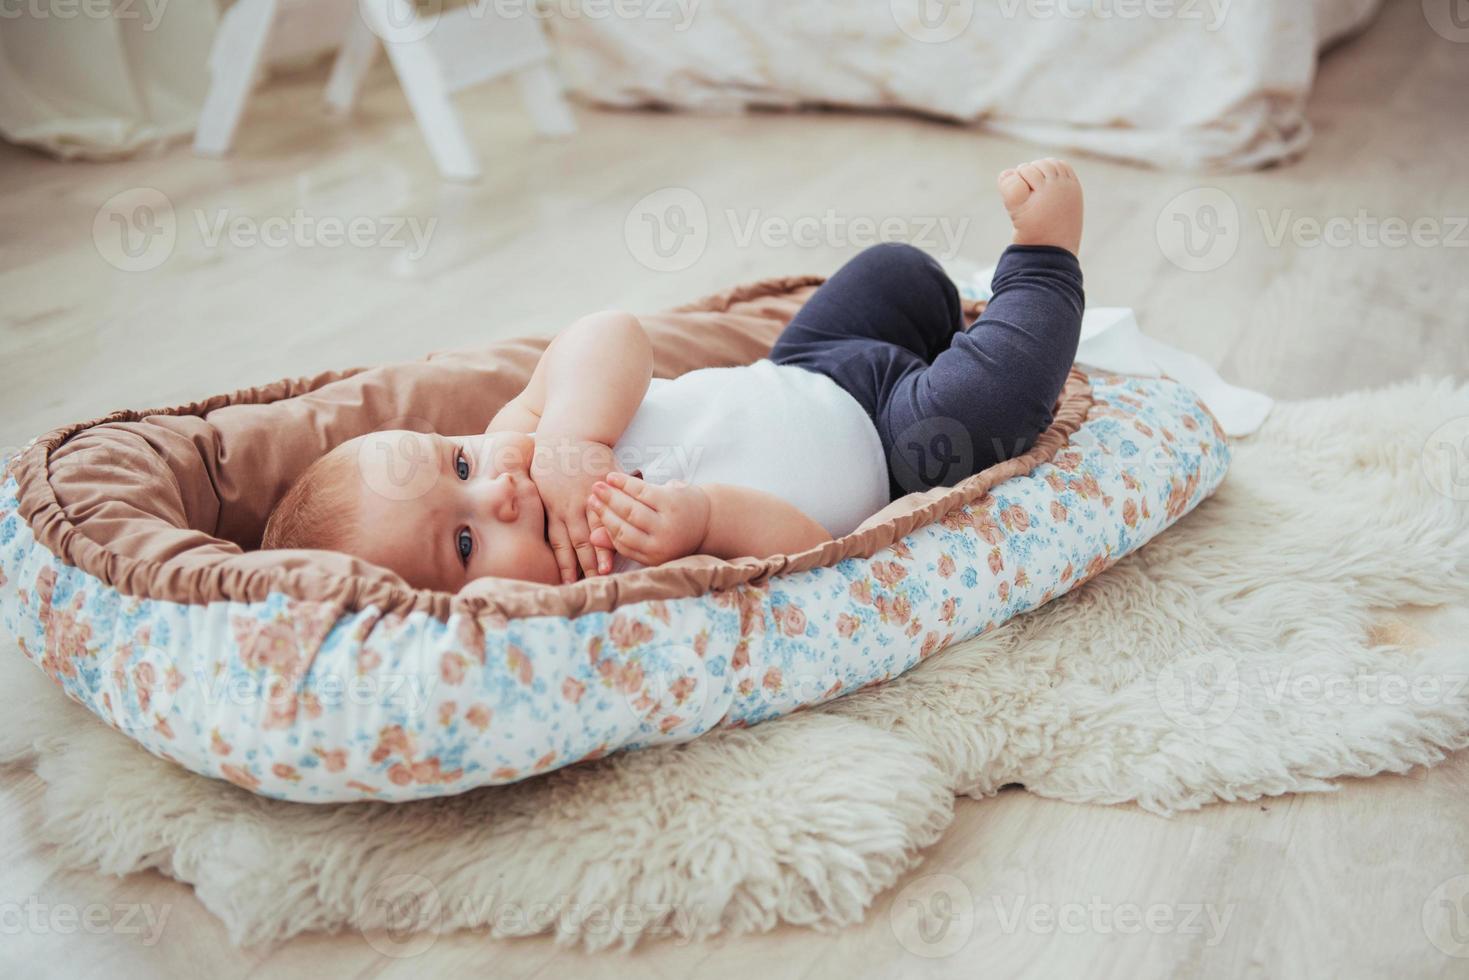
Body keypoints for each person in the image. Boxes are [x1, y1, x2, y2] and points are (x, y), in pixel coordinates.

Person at [261, 159, 1085, 590]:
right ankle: (1044, 264)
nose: (498, 492)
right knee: (993, 401)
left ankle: (952, 321)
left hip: (804, 367)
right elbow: (812, 551)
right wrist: (701, 522)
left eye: (459, 464)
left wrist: (573, 437)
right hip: (900, 448)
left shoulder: (531, 431)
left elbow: (612, 334)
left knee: (892, 271)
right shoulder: (617, 578)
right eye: (467, 539)